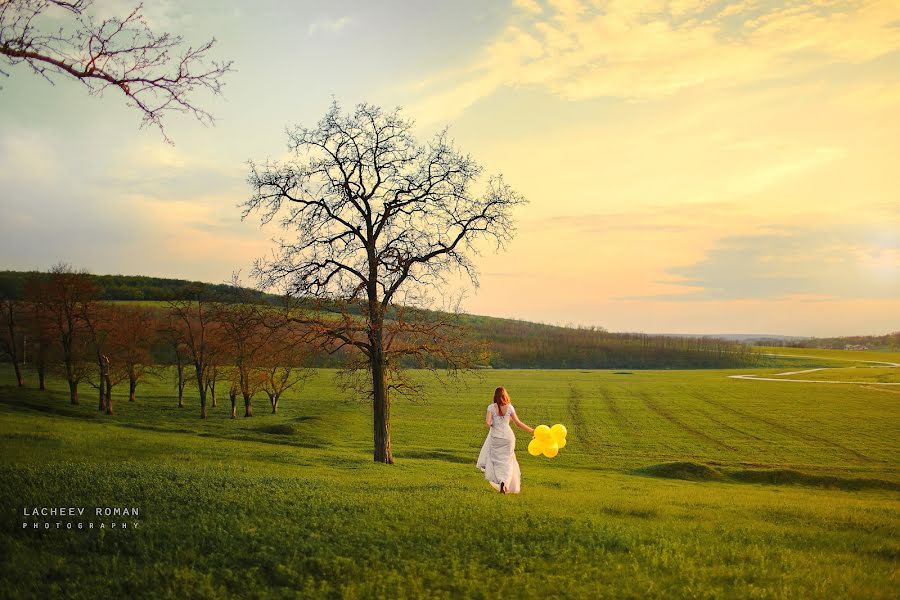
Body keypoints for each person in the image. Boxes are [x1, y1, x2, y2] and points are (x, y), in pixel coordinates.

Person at [476, 386, 534, 494]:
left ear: (495, 396)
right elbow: (518, 423)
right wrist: (532, 431)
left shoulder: (491, 408)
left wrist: (494, 424)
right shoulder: (510, 407)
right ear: (505, 395)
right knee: (507, 461)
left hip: (495, 438)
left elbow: (488, 423)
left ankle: (500, 481)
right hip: (508, 438)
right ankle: (505, 482)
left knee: (497, 462)